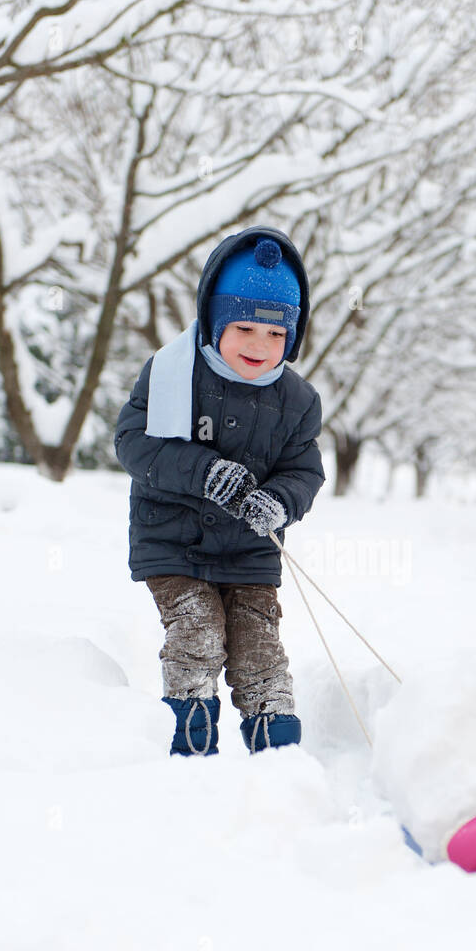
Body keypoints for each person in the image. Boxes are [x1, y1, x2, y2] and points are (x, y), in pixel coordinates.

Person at [114, 226, 324, 756]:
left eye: (277, 335)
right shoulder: (171, 374)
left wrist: (279, 501)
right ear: (214, 321)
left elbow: (305, 470)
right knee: (198, 629)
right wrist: (203, 472)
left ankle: (275, 747)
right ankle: (191, 741)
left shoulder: (297, 400)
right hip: (173, 545)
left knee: (259, 645)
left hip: (250, 552)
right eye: (246, 328)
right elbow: (134, 443)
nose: (260, 346)